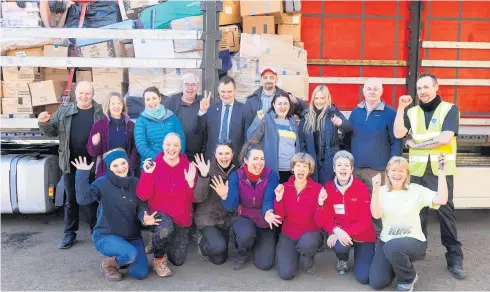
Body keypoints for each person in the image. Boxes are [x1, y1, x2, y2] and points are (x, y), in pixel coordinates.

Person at [393, 72, 465, 279]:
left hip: (440, 172)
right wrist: (400, 108)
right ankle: (419, 249)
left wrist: (416, 144)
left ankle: (454, 258)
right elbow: (399, 133)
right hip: (417, 171)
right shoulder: (412, 111)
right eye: (419, 89)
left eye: (426, 87)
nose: (422, 92)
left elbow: (445, 138)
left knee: (445, 214)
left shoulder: (449, 109)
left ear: (436, 87)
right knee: (417, 213)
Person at [72, 149, 159, 281]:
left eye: (123, 163)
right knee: (130, 254)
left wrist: (144, 218)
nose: (120, 168)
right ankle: (109, 264)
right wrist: (82, 174)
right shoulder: (102, 183)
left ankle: (123, 258)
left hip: (131, 236)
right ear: (110, 168)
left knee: (140, 273)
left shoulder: (135, 182)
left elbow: (142, 207)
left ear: (128, 163)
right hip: (107, 235)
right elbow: (83, 199)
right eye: (115, 165)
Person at [38, 81, 104, 249]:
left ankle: (96, 232)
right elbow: (51, 131)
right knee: (71, 200)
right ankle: (69, 233)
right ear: (76, 94)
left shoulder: (100, 112)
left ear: (93, 94)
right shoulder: (64, 111)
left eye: (87, 93)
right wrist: (44, 122)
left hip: (93, 165)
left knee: (93, 201)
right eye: (81, 93)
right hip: (70, 163)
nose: (84, 96)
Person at [369, 155, 449, 291]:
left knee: (393, 248)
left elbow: (441, 199)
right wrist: (375, 191)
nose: (397, 174)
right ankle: (398, 264)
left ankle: (408, 278)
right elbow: (376, 214)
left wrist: (441, 172)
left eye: (402, 170)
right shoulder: (381, 191)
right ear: (387, 172)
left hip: (413, 241)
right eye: (393, 170)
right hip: (387, 241)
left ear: (407, 174)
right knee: (377, 282)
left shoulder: (416, 190)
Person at [136, 132, 197, 277]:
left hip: (181, 217)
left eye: (176, 145)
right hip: (161, 213)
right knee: (164, 230)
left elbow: (194, 199)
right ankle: (159, 259)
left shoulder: (188, 166)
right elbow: (143, 195)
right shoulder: (153, 165)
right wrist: (148, 174)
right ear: (163, 146)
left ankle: (158, 239)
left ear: (181, 147)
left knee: (177, 260)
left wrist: (190, 183)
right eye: (168, 144)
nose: (172, 148)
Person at [347, 78, 402, 235]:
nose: (372, 91)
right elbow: (348, 139)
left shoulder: (390, 114)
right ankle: (358, 235)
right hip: (356, 169)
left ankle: (379, 236)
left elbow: (396, 142)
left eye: (375, 89)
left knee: (377, 205)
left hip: (378, 170)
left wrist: (392, 167)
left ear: (382, 91)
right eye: (369, 88)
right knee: (357, 205)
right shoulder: (356, 112)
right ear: (363, 91)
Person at [315, 150, 375, 284]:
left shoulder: (362, 188)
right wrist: (320, 205)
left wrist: (340, 232)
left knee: (363, 278)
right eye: (339, 165)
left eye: (347, 165)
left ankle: (369, 255)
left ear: (352, 169)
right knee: (341, 246)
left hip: (363, 235)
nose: (343, 168)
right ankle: (342, 259)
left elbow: (365, 222)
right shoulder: (328, 188)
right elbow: (321, 221)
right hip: (340, 234)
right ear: (334, 168)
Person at [220, 142, 280, 271]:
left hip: (264, 219)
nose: (259, 163)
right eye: (255, 159)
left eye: (262, 159)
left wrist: (268, 212)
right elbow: (231, 207)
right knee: (246, 234)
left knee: (265, 264)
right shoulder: (236, 176)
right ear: (246, 160)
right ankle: (243, 252)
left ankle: (257, 243)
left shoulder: (272, 175)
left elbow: (269, 199)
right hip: (244, 216)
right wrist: (224, 196)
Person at [274, 153, 325, 280]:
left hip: (310, 234)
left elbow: (320, 222)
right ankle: (294, 254)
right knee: (285, 274)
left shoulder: (318, 189)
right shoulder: (284, 187)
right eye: (298, 165)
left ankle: (308, 257)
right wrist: (279, 200)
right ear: (293, 168)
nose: (301, 169)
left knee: (306, 244)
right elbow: (279, 218)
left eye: (305, 166)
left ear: (310, 170)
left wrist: (320, 204)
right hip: (288, 234)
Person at [193, 141, 237, 265]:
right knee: (219, 247)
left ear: (232, 155)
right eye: (220, 153)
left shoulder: (236, 172)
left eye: (227, 153)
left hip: (224, 220)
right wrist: (203, 176)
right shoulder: (207, 169)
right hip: (207, 217)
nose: (224, 157)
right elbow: (198, 198)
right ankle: (202, 244)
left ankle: (213, 242)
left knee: (219, 260)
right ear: (215, 155)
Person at [299, 85, 352, 185]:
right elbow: (301, 142)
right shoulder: (306, 116)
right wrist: (305, 160)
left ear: (327, 98)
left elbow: (348, 128)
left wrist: (340, 123)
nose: (319, 101)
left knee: (328, 189)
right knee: (313, 190)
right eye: (316, 98)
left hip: (329, 160)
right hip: (311, 161)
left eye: (322, 98)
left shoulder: (333, 113)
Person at [248, 92, 300, 183]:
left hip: (292, 170)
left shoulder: (292, 121)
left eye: (285, 103)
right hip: (273, 169)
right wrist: (258, 120)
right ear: (273, 105)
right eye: (279, 103)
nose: (282, 106)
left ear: (289, 105)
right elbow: (252, 138)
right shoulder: (266, 119)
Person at [201, 76, 253, 165]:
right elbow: (201, 131)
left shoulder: (245, 110)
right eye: (223, 91)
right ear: (218, 91)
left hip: (235, 160)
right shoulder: (211, 109)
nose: (226, 95)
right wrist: (202, 112)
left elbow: (247, 138)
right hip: (213, 158)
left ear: (235, 91)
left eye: (229, 91)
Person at [87, 92, 138, 179]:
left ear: (123, 106)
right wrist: (95, 144)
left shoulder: (130, 125)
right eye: (113, 103)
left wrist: (130, 164)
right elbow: (92, 152)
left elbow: (135, 146)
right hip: (105, 171)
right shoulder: (99, 125)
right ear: (108, 106)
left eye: (119, 103)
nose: (116, 106)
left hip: (124, 170)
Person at [134, 86, 186, 168]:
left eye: (154, 98)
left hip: (174, 161)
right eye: (148, 99)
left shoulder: (171, 116)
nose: (151, 102)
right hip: (152, 164)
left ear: (159, 99)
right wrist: (161, 159)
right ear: (144, 102)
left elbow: (181, 138)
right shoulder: (141, 121)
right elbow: (141, 146)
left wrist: (175, 157)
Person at [164, 73, 209, 161]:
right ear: (182, 86)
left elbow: (201, 128)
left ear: (198, 87)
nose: (190, 88)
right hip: (175, 154)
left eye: (193, 85)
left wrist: (202, 112)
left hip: (196, 156)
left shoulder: (203, 102)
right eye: (187, 84)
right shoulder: (171, 101)